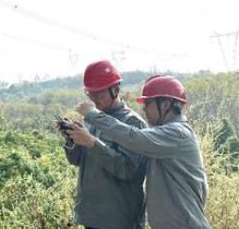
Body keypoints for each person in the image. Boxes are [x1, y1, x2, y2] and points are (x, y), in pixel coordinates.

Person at [70, 74, 211, 229]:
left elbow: (132, 137)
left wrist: (93, 115)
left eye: (148, 103)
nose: (144, 108)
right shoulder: (164, 134)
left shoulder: (177, 134)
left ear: (165, 104)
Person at [59, 60, 147, 229]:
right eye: (91, 95)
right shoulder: (92, 119)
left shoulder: (133, 123)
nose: (95, 100)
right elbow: (78, 161)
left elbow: (128, 169)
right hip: (92, 217)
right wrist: (72, 139)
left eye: (99, 95)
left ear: (116, 89)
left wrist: (92, 143)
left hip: (119, 220)